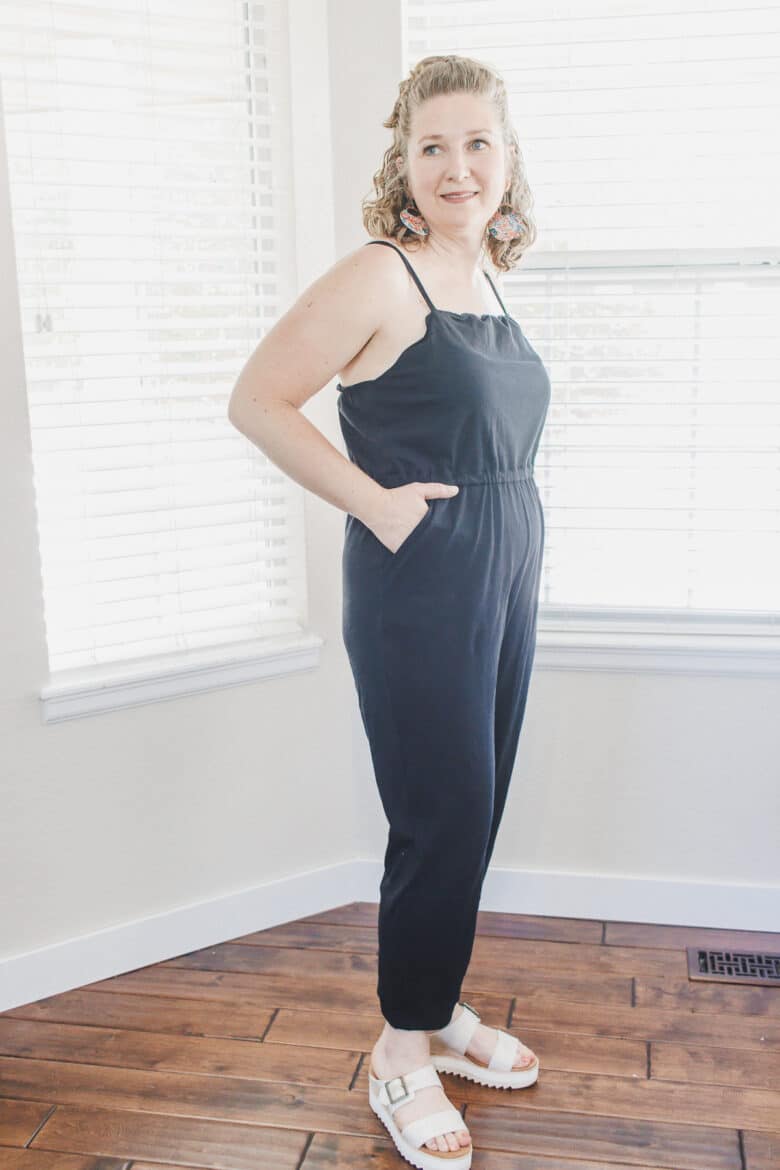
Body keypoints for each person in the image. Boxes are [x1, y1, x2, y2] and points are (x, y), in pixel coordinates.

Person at [228, 53, 551, 1170]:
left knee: (478, 807)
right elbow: (257, 399)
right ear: (401, 163)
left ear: (508, 158)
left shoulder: (484, 277)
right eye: (432, 147)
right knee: (439, 813)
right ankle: (400, 1050)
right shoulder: (383, 274)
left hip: (505, 569)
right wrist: (376, 504)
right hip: (423, 580)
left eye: (478, 143)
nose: (458, 167)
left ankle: (438, 1008)